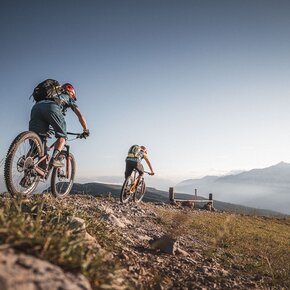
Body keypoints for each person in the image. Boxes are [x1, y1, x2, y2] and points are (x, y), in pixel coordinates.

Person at [29, 82, 89, 167]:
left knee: (38, 144)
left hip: (36, 108)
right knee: (62, 136)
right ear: (71, 92)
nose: (72, 97)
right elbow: (80, 115)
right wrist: (85, 130)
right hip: (52, 107)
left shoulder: (51, 94)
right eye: (73, 95)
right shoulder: (67, 97)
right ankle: (54, 159)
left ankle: (27, 161)